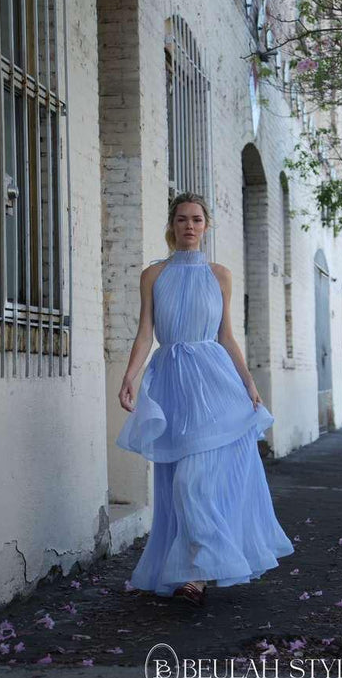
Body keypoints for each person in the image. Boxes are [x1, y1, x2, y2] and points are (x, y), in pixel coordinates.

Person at [115, 192, 294, 606]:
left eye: (196, 219)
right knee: (176, 479)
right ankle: (193, 567)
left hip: (215, 385)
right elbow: (146, 333)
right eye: (182, 219)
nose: (189, 226)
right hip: (173, 385)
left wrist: (248, 382)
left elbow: (226, 335)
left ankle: (196, 573)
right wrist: (129, 375)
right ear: (171, 225)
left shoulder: (221, 275)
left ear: (206, 226)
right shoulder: (154, 275)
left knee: (193, 481)